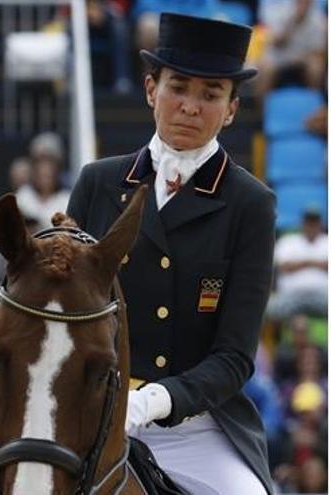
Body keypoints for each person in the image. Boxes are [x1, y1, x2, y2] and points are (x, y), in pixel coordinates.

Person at [67, 13, 275, 494]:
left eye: (210, 95)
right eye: (178, 87)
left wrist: (151, 402)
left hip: (194, 427)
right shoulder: (98, 182)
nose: (190, 107)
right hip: (88, 415)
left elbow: (234, 356)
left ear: (231, 110)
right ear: (149, 90)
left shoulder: (250, 204)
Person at [266, 209, 328, 320]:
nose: (311, 226)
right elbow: (283, 267)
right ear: (302, 223)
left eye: (315, 222)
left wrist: (299, 263)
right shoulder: (288, 241)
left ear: (320, 224)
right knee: (266, 307)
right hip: (290, 296)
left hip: (324, 296)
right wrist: (315, 263)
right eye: (309, 222)